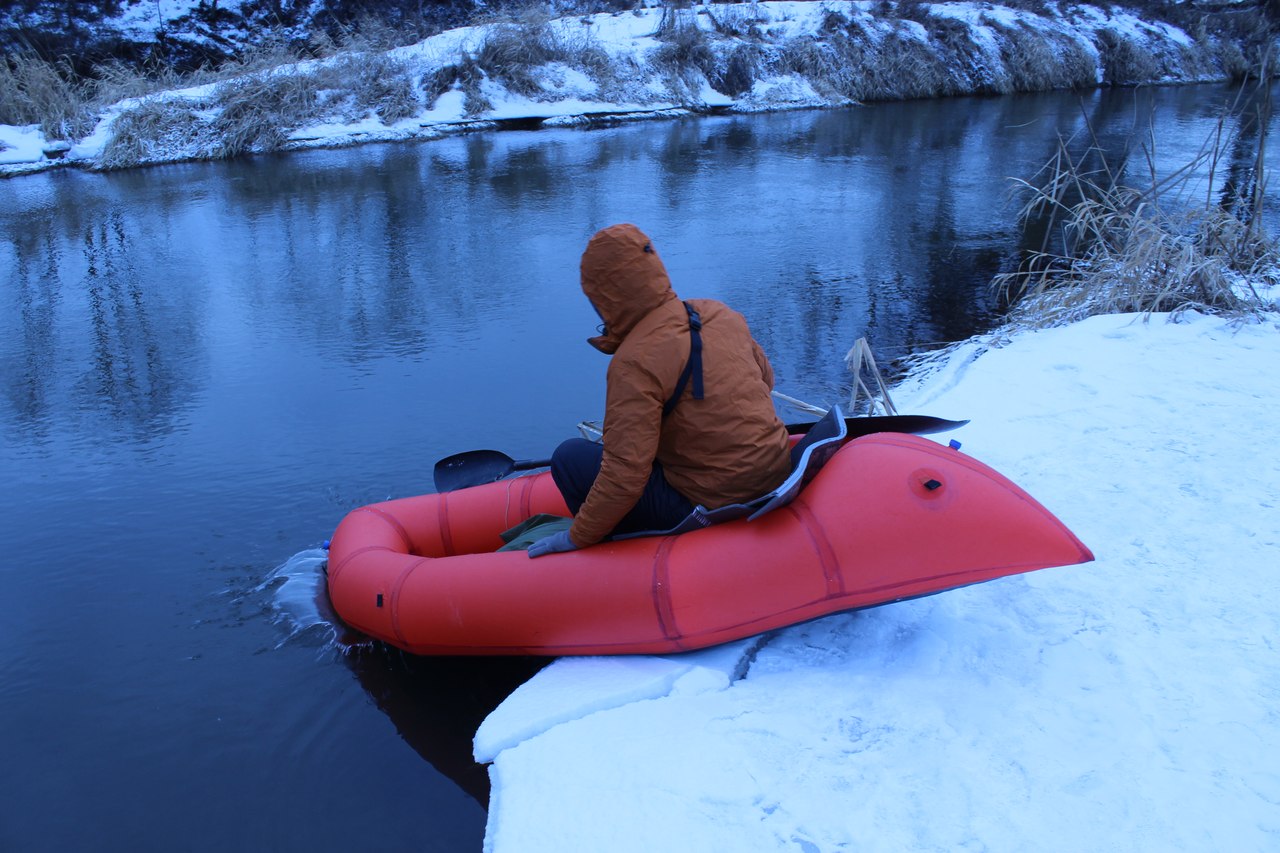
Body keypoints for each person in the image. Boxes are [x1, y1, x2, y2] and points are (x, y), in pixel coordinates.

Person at [528, 223, 793, 558]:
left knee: (569, 458)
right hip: (776, 474)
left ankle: (623, 552)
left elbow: (625, 475)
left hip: (709, 503)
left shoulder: (633, 362)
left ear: (604, 299)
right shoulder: (720, 314)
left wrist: (578, 537)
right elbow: (764, 382)